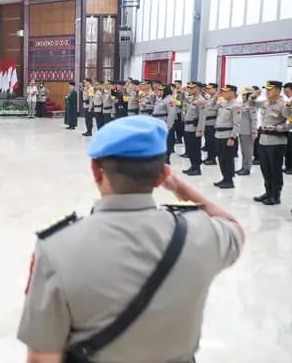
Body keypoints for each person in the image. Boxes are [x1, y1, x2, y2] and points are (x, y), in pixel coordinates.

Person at [17, 115, 244, 363]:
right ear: (162, 175)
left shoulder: (57, 248)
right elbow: (233, 227)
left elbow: (42, 358)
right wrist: (178, 187)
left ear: (96, 171)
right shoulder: (201, 233)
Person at [249, 81, 291, 206]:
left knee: (275, 170)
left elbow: (290, 123)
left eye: (270, 89)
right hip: (263, 140)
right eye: (266, 90)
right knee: (265, 169)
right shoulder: (266, 102)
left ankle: (275, 196)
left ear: (277, 90)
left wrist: (277, 128)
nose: (267, 92)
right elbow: (251, 104)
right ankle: (268, 192)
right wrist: (253, 96)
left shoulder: (284, 105)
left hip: (276, 141)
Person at [213, 85, 242, 189]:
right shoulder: (223, 104)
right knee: (221, 159)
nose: (223, 93)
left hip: (227, 136)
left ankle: (229, 180)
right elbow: (211, 107)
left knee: (228, 159)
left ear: (232, 93)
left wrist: (232, 137)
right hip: (219, 135)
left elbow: (237, 124)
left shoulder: (236, 106)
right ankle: (225, 178)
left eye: (226, 91)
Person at [182, 82, 207, 176]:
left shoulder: (201, 101)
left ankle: (196, 168)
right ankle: (192, 166)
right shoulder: (192, 99)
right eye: (189, 88)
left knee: (195, 149)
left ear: (198, 89)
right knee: (190, 149)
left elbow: (202, 117)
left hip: (194, 129)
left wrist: (199, 130)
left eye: (192, 88)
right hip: (188, 127)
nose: (190, 89)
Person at [151, 84, 176, 164]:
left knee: (166, 142)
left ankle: (166, 158)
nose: (160, 92)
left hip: (164, 123)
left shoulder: (169, 100)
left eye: (162, 90)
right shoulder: (161, 99)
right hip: (158, 123)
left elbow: (171, 114)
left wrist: (169, 126)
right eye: (160, 90)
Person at [237, 88, 257, 176]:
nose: (243, 96)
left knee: (248, 151)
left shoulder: (251, 105)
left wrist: (254, 131)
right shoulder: (242, 104)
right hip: (241, 130)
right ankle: (243, 167)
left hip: (248, 131)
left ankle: (247, 168)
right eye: (242, 94)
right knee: (243, 151)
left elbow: (254, 119)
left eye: (244, 95)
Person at [202, 83, 220, 165]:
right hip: (207, 122)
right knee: (208, 142)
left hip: (212, 123)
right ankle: (209, 157)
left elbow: (210, 106)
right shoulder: (210, 98)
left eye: (210, 88)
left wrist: (216, 96)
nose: (208, 90)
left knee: (212, 142)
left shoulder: (218, 99)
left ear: (215, 89)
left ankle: (212, 159)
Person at [284, 82, 292, 174]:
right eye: (285, 92)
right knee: (287, 149)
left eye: (287, 92)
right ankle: (287, 166)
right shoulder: (288, 100)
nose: (286, 94)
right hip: (287, 128)